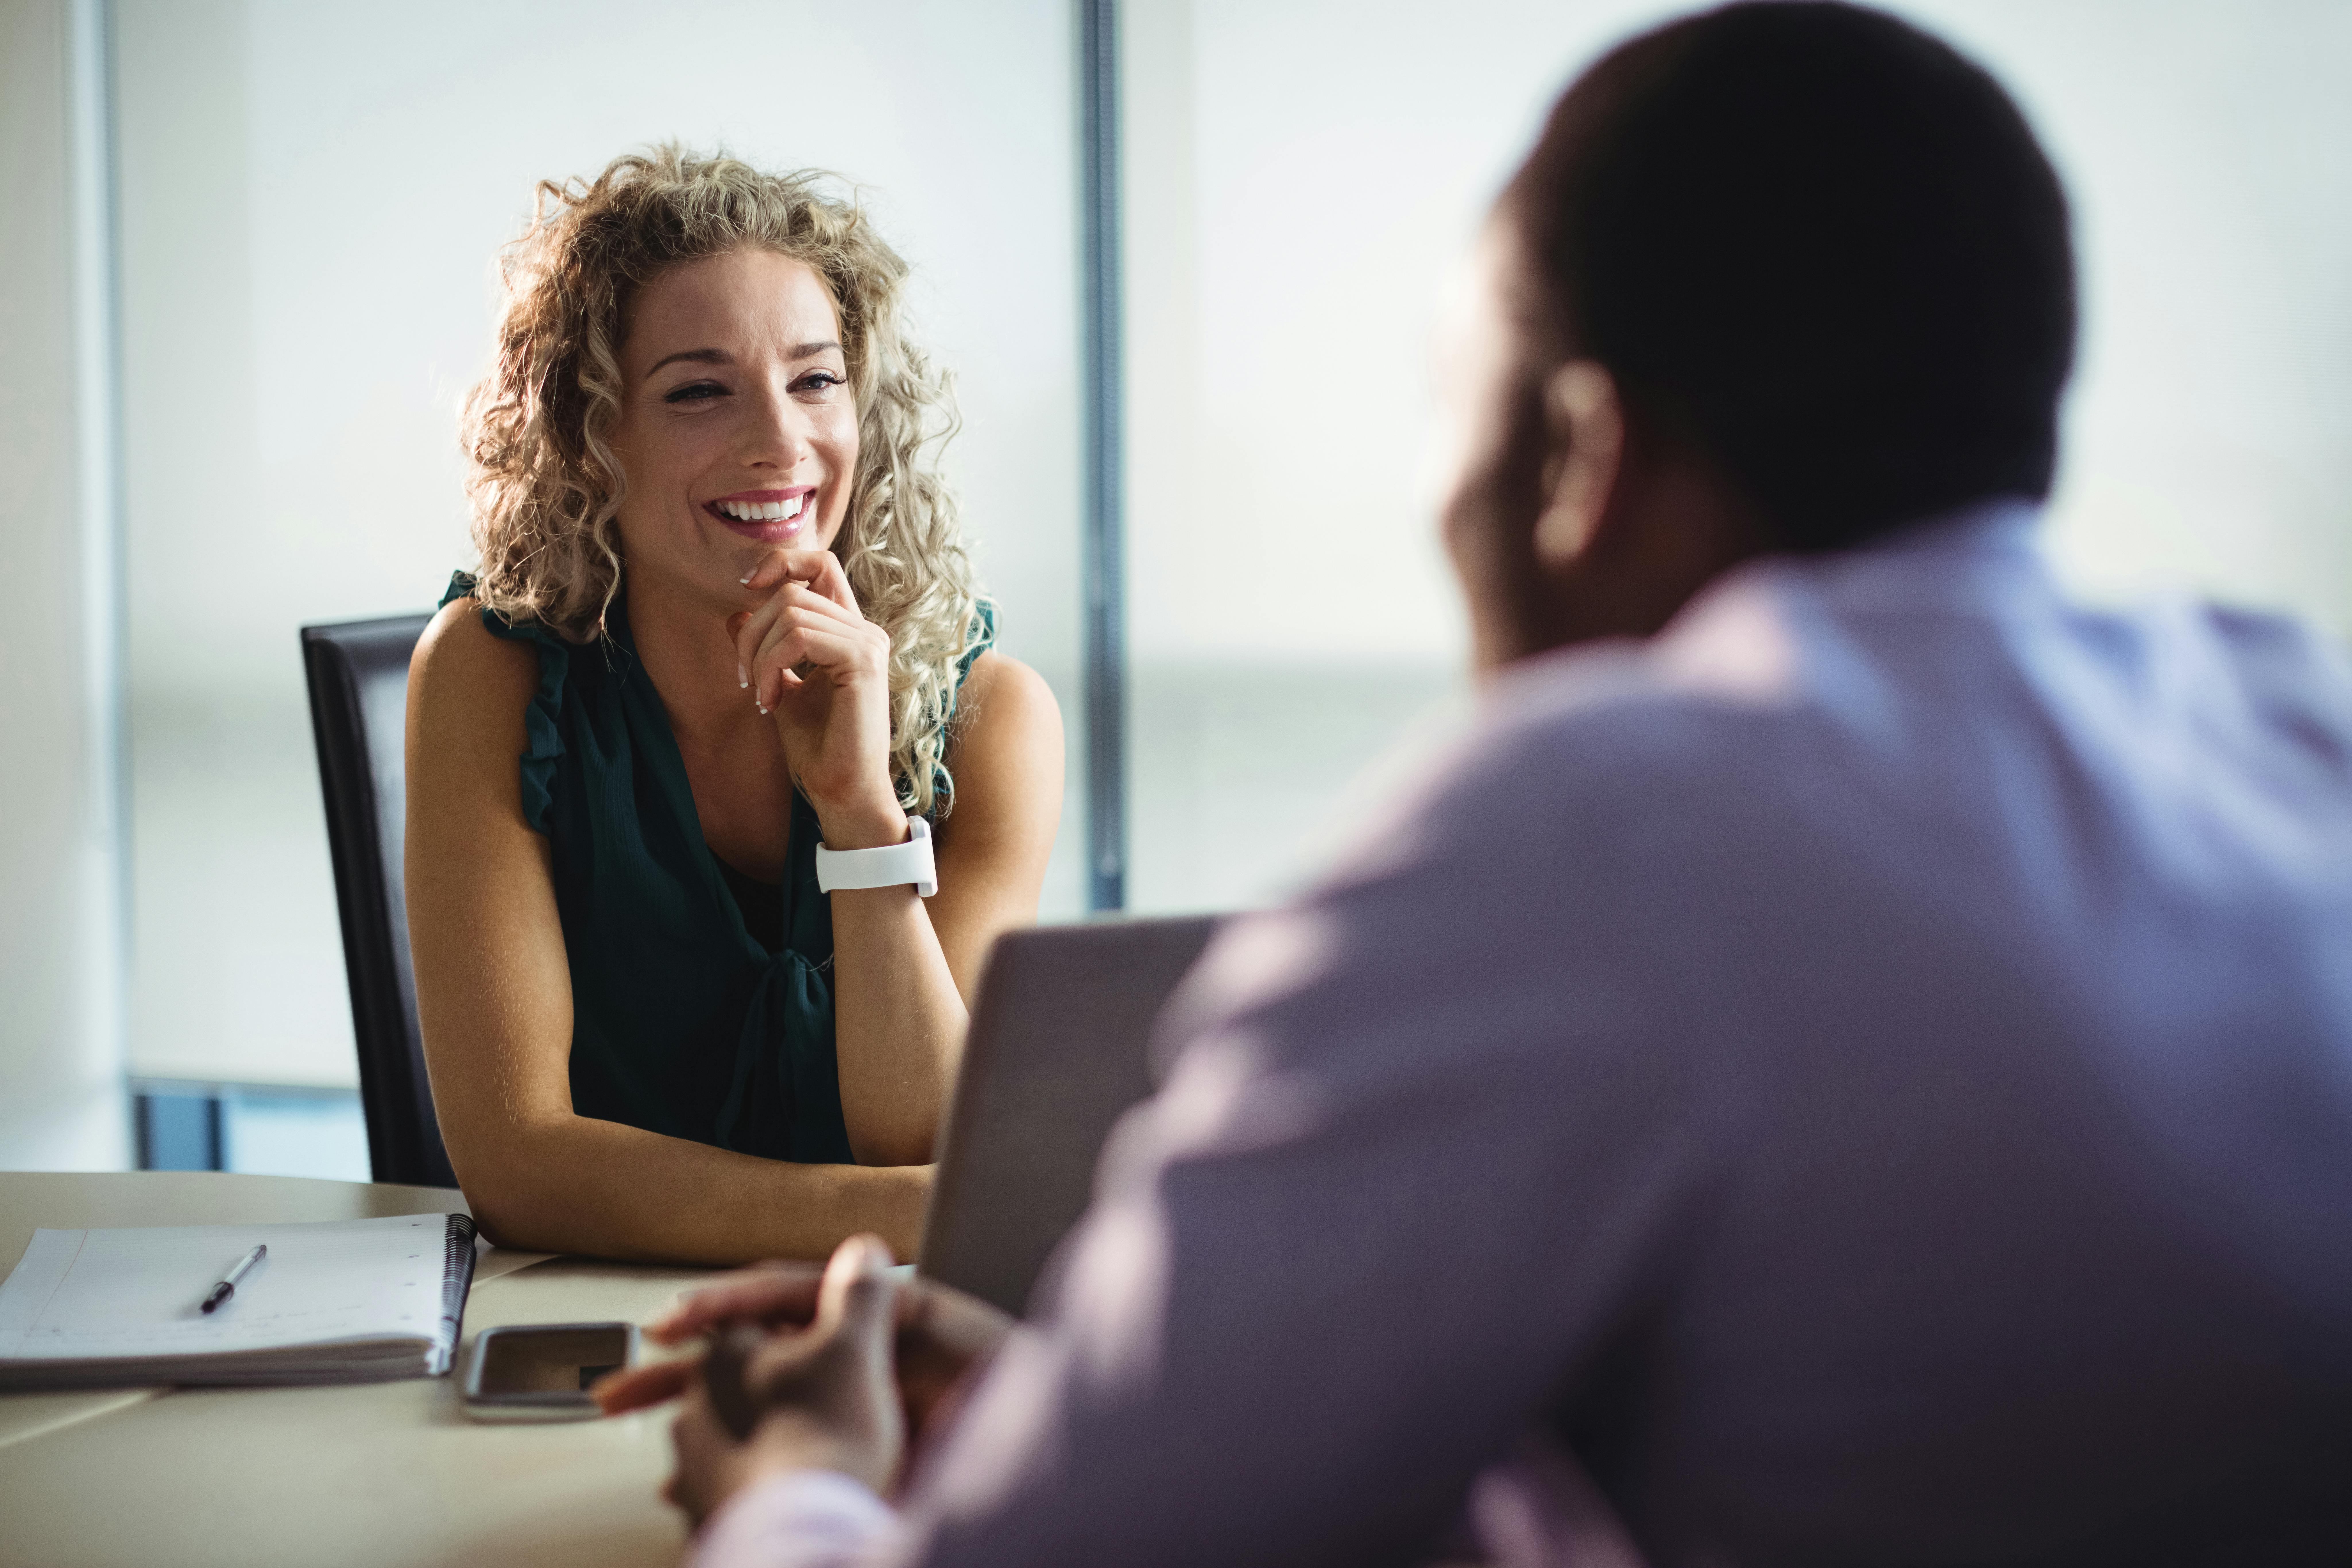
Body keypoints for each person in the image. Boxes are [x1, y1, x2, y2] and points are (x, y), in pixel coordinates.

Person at [600, 4, 2352, 1564]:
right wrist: (1110, 1395)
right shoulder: (2294, 738)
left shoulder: (1591, 819)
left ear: (1574, 452)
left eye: (1454, 406)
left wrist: (805, 1480)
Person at [405, 148, 1064, 1265]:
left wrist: (860, 813)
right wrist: (915, 1215)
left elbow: (928, 1131)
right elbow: (520, 1163)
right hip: (576, 1325)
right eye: (699, 390)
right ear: (591, 433)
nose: (779, 441)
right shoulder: (488, 674)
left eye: (814, 379)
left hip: (878, 1343)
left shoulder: (989, 721)